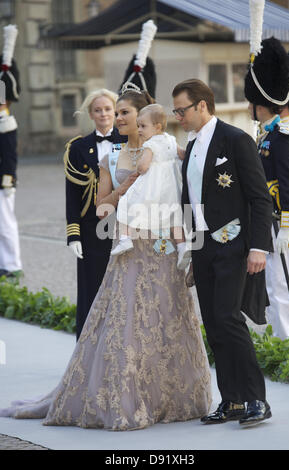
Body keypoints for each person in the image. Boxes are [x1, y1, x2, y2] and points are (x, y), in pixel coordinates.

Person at [0, 87, 212, 431]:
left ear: (144, 119)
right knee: (129, 323)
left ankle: (171, 397)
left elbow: (193, 174)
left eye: (125, 112)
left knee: (168, 318)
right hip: (132, 248)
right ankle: (130, 397)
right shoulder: (112, 157)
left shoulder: (166, 147)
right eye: (119, 112)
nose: (119, 118)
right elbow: (101, 208)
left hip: (166, 248)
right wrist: (123, 188)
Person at [172, 78, 273, 426]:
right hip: (203, 248)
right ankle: (230, 400)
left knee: (230, 319)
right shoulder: (191, 143)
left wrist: (259, 246)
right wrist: (190, 252)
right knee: (214, 324)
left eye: (181, 110)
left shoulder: (236, 139)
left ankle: (256, 399)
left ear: (202, 105)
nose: (178, 117)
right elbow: (191, 201)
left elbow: (261, 198)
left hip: (234, 245)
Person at [245, 38, 289, 340]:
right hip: (273, 218)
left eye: (251, 102)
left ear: (260, 103)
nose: (247, 106)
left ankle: (288, 344)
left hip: (283, 221)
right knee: (279, 282)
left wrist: (285, 226)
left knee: (282, 284)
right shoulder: (266, 135)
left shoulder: (282, 136)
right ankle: (288, 339)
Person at [64, 88, 127, 340]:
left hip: (124, 226)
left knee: (123, 289)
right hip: (92, 229)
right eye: (98, 110)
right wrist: (73, 234)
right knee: (92, 289)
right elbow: (72, 194)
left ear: (115, 111)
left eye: (108, 109)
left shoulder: (130, 142)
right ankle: (87, 349)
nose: (103, 114)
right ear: (90, 114)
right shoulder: (79, 148)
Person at [110, 102, 190, 269]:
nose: (139, 130)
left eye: (143, 126)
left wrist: (139, 166)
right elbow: (183, 154)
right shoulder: (171, 139)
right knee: (175, 217)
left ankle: (125, 238)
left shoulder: (150, 145)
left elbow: (143, 167)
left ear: (157, 126)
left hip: (152, 187)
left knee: (127, 203)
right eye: (138, 126)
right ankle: (183, 247)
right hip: (171, 188)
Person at [0, 25, 22, 278]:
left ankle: (13, 265)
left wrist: (8, 180)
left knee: (6, 225)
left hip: (2, 181)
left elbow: (9, 156)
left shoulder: (6, 120)